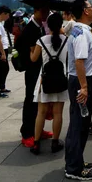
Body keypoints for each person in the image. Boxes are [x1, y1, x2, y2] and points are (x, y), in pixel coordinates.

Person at [64, 0, 92, 181]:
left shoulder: (81, 30)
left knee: (82, 123)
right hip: (82, 82)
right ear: (85, 11)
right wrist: (84, 86)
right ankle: (74, 168)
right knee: (79, 124)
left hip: (83, 81)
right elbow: (79, 60)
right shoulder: (81, 33)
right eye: (91, 7)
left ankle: (76, 160)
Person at [29, 12, 67, 155]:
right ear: (60, 25)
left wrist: (30, 50)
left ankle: (36, 144)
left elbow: (33, 59)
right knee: (58, 113)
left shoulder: (41, 40)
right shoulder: (66, 40)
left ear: (48, 25)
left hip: (44, 80)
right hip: (60, 80)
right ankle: (55, 143)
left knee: (41, 113)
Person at [16, 5, 51, 148]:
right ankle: (26, 134)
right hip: (32, 70)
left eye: (47, 11)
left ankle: (38, 129)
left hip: (39, 70)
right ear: (36, 11)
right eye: (43, 11)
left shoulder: (39, 26)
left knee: (38, 101)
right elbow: (33, 56)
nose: (45, 13)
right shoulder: (31, 29)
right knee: (30, 100)